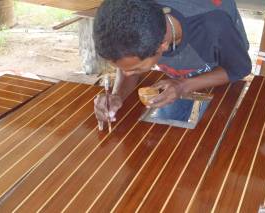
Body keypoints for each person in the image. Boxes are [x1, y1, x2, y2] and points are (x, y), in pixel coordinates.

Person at [93, 0, 252, 128]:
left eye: (135, 68)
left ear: (162, 45)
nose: (126, 73)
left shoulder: (213, 24)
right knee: (162, 135)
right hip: (176, 77)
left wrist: (182, 86)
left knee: (211, 137)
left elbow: (239, 68)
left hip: (221, 68)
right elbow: (127, 62)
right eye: (121, 68)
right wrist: (117, 96)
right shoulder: (131, 16)